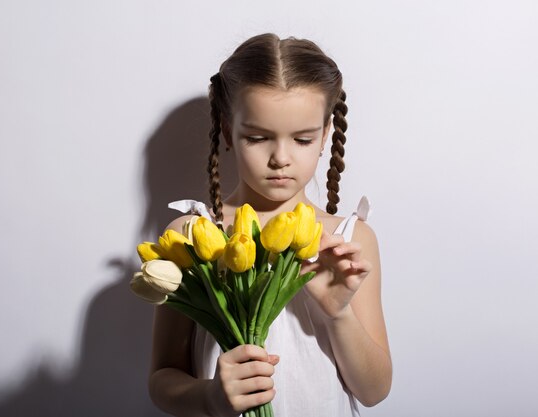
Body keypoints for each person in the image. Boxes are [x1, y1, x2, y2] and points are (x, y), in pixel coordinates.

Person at [148, 33, 392, 416]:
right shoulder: (191, 236)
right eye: (258, 137)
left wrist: (339, 313)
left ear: (325, 135)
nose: (281, 158)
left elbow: (374, 391)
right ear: (228, 131)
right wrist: (210, 396)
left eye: (302, 139)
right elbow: (163, 377)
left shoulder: (349, 238)